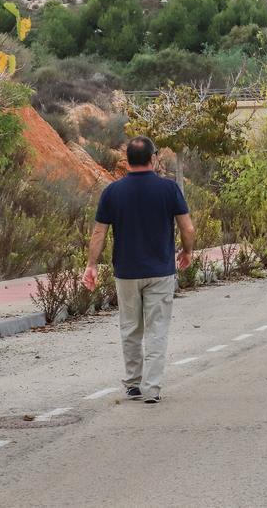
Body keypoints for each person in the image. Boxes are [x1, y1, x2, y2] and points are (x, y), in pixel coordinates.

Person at [84, 137, 195, 404]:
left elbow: (99, 231)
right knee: (157, 329)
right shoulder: (169, 189)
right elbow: (187, 228)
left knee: (131, 328)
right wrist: (187, 251)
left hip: (126, 272)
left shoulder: (112, 192)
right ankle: (152, 388)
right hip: (160, 271)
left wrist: (91, 265)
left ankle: (133, 383)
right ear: (153, 158)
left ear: (127, 161)